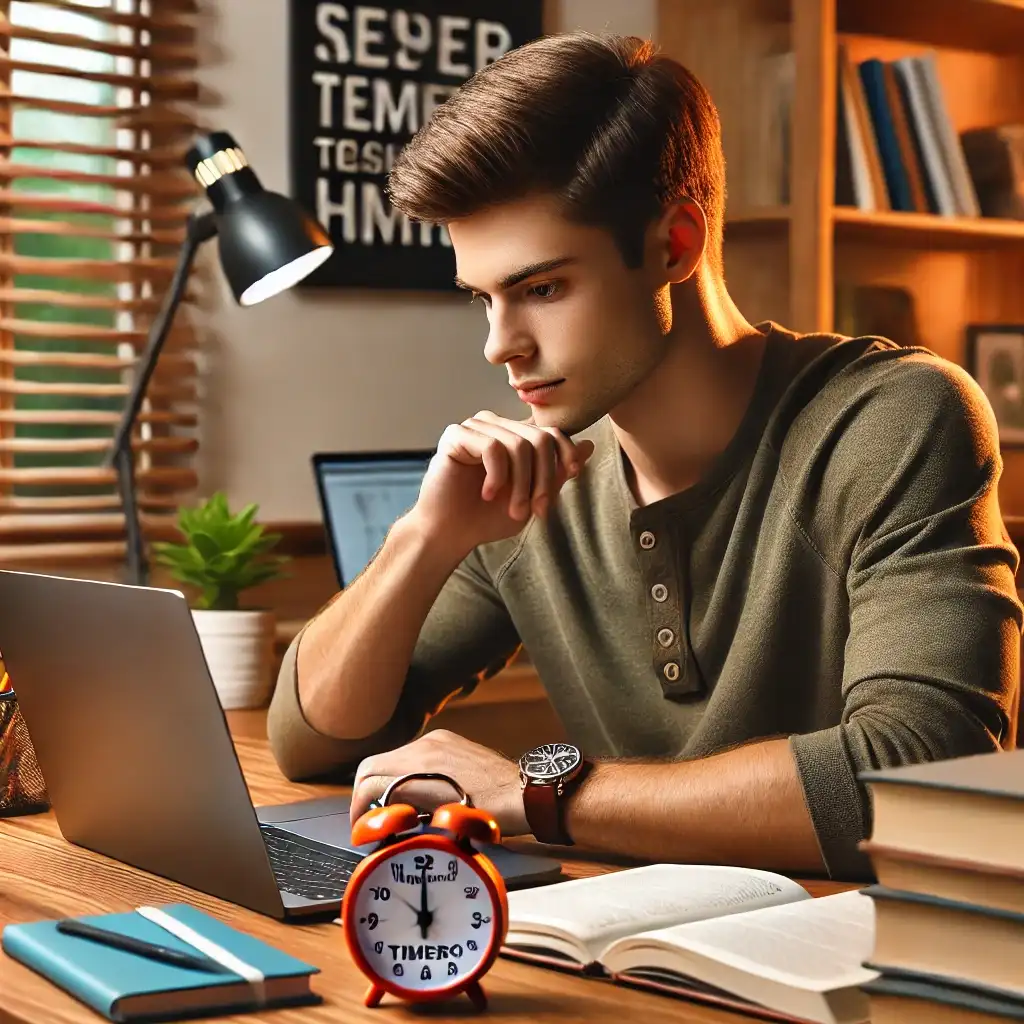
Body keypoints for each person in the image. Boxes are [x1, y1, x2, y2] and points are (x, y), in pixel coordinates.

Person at [267, 32, 1022, 881]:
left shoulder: (893, 418)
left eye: (541, 289)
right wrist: (425, 539)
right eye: (483, 298)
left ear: (675, 245)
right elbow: (315, 740)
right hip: (638, 959)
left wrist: (535, 793)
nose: (498, 346)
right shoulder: (536, 473)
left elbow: (921, 775)